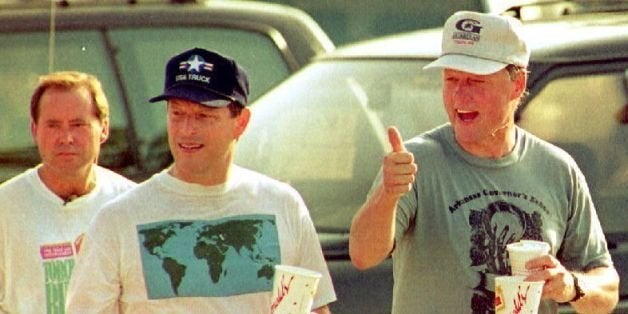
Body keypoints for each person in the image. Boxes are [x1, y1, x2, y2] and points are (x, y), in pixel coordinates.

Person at [349, 11, 619, 314]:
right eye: (451, 79)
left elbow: (607, 288)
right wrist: (387, 194)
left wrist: (569, 285)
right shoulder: (416, 162)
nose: (459, 95)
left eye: (475, 81)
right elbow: (362, 256)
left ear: (517, 84)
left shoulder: (558, 169)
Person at [65, 48, 336, 313]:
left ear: (240, 122)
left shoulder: (282, 205)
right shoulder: (118, 219)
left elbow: (313, 308)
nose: (186, 130)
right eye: (177, 113)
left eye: (203, 116)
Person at [0, 71, 137, 313]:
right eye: (53, 125)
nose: (66, 138)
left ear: (104, 129)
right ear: (34, 130)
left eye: (78, 125)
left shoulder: (132, 204)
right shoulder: (6, 207)